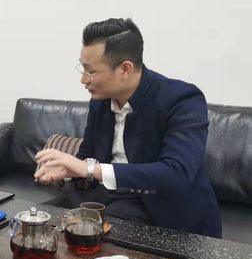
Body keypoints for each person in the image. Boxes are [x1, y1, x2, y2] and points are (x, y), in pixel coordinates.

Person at [34, 18, 221, 238]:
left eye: (91, 71)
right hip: (109, 194)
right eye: (82, 69)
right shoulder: (100, 102)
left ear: (125, 69)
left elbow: (176, 173)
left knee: (98, 236)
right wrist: (66, 170)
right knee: (41, 218)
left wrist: (90, 169)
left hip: (162, 204)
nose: (84, 80)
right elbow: (88, 156)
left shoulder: (181, 99)